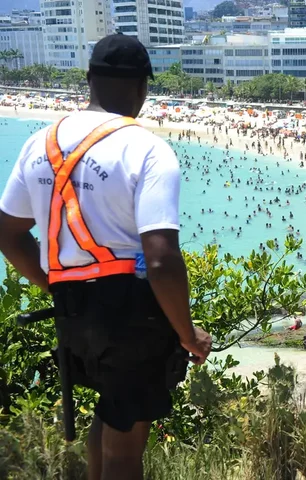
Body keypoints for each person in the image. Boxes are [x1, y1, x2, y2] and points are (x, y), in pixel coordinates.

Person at [0, 34, 212, 480]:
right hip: (132, 314)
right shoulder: (147, 148)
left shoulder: (40, 142)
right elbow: (160, 259)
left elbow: (9, 234)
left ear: (89, 80)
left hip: (73, 315)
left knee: (109, 414)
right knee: (125, 445)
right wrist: (187, 330)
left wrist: (56, 285)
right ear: (143, 88)